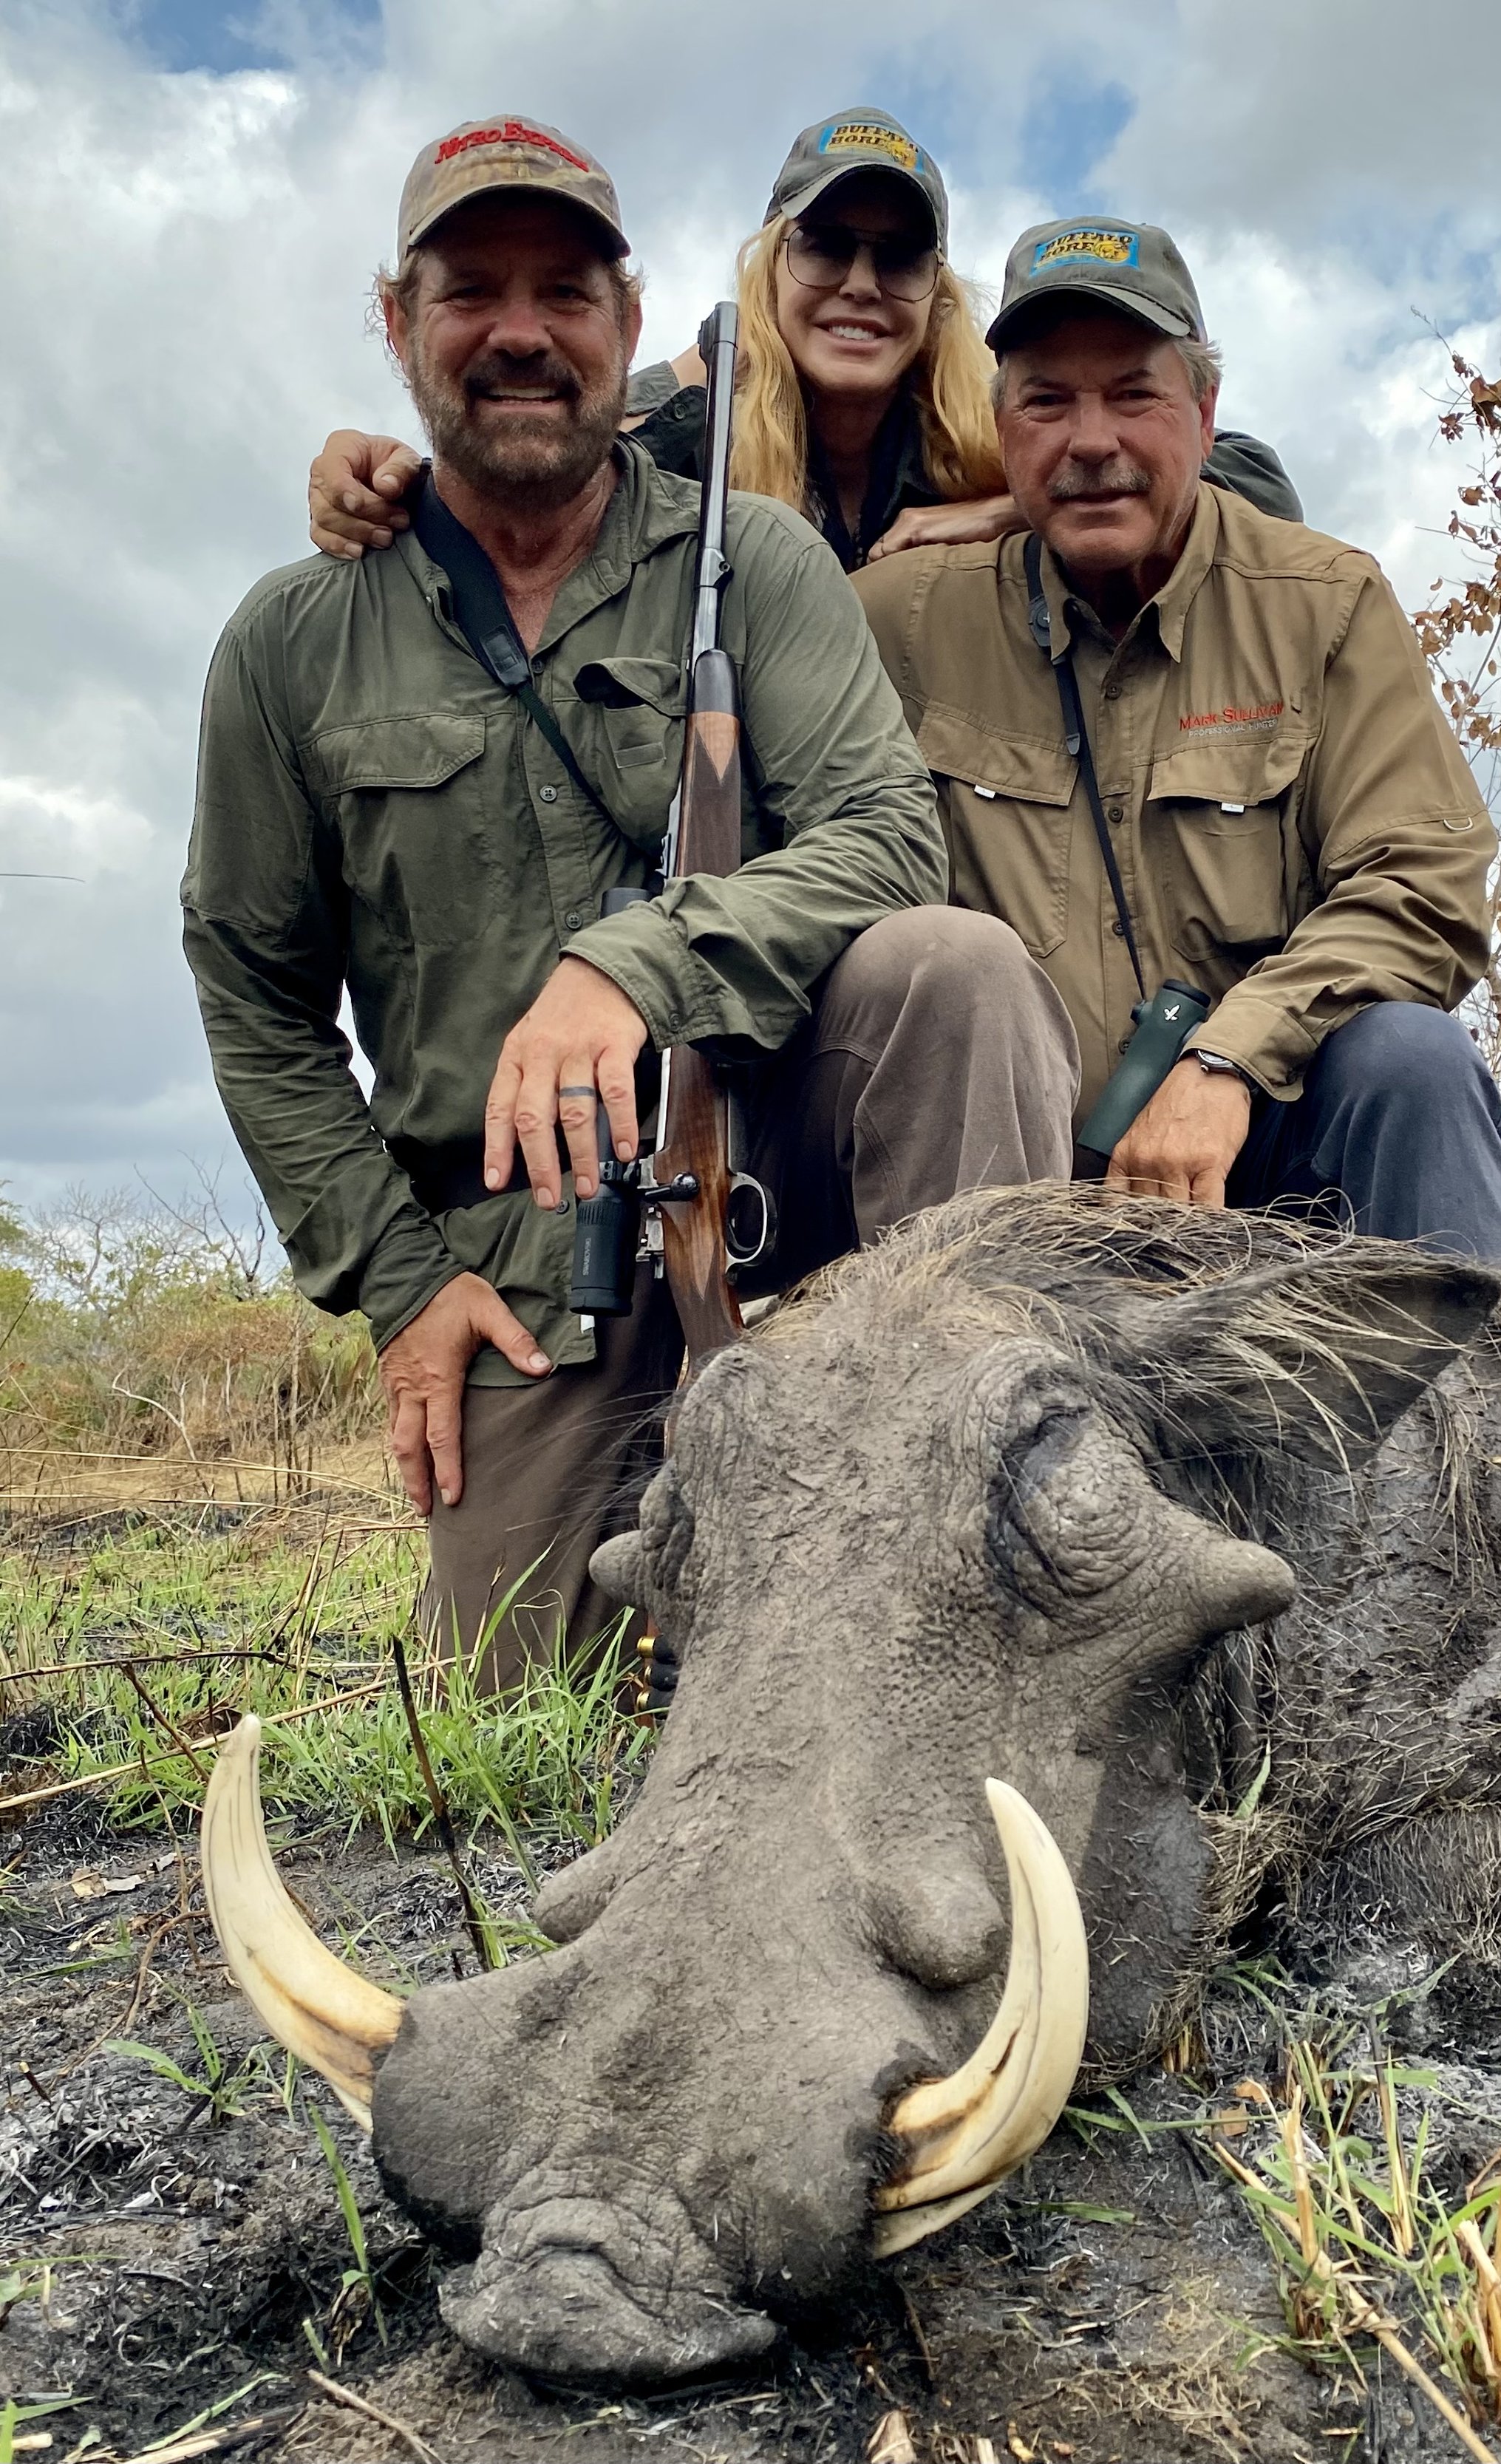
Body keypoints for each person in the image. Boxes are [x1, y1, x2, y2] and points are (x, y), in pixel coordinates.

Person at [182, 117, 1078, 1685]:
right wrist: (403, 1286)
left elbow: (884, 835)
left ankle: (999, 1528)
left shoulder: (764, 563)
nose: (521, 331)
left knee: (956, 969)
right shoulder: (289, 640)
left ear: (628, 318)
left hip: (790, 1166)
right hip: (532, 1257)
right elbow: (254, 994)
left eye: (564, 291)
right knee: (531, 1687)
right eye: (472, 290)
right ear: (395, 323)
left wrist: (633, 961)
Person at [851, 217, 1501, 1275]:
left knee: (1416, 1059)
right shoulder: (893, 618)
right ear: (1001, 429)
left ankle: (1491, 1434)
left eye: (1135, 395)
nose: (1092, 441)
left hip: (1263, 1170)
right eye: (1047, 400)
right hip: (1007, 1205)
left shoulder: (1327, 602)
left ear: (1206, 415)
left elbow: (1426, 883)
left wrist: (1228, 1056)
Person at [306, 106, 1302, 576]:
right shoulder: (687, 421)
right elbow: (528, 462)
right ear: (771, 261)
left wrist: (1006, 511)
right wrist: (379, 478)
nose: (863, 285)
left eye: (901, 256)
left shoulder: (1012, 417)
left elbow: (1253, 483)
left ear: (939, 290)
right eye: (826, 246)